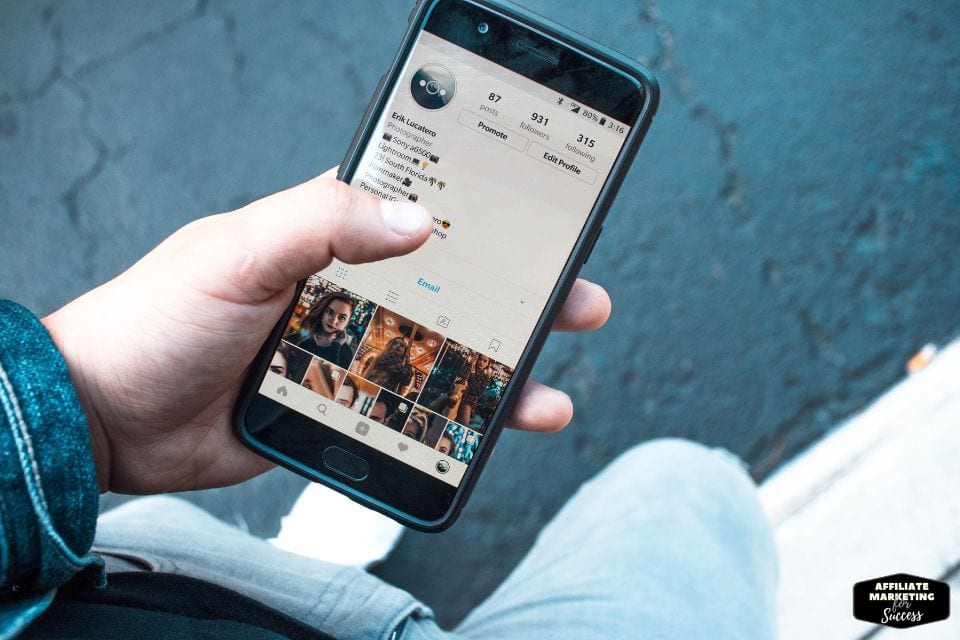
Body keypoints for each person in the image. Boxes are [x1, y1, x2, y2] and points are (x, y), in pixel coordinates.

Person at [0, 173, 777, 639]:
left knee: (157, 525)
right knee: (688, 484)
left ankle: (309, 562)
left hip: (110, 574)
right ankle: (315, 565)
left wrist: (91, 414)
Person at [289, 291, 357, 369]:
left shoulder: (346, 353)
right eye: (329, 312)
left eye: (342, 317)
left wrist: (336, 346)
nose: (334, 321)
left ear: (348, 322)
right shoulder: (300, 336)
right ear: (322, 312)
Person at [456, 353, 492, 429]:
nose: (481, 362)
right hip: (455, 394)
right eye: (480, 359)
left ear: (488, 364)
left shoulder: (485, 377)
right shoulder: (469, 367)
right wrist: (470, 364)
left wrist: (472, 375)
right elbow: (460, 377)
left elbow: (477, 392)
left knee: (463, 424)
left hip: (467, 401)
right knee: (434, 406)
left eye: (485, 361)